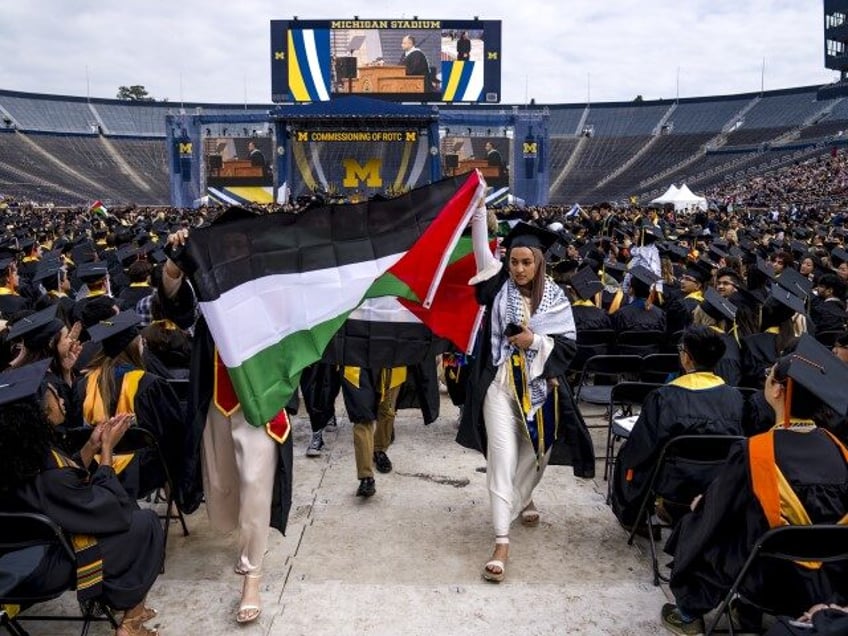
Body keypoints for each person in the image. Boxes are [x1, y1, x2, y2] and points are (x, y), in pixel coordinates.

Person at [662, 335, 848, 635]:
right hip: (830, 588)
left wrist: (704, 504)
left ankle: (688, 611)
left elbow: (720, 510)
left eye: (769, 375)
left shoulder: (757, 451)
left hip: (767, 580)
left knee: (706, 522)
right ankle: (746, 610)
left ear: (776, 390)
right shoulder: (841, 450)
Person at [159, 222, 293, 626]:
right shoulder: (207, 277)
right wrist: (174, 264)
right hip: (216, 394)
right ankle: (245, 548)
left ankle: (253, 575)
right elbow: (178, 309)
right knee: (222, 484)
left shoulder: (275, 280)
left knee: (256, 481)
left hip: (260, 398)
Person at [456, 214, 594, 584]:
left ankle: (524, 497)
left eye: (526, 262)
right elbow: (483, 249)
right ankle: (501, 541)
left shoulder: (555, 299)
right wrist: (481, 209)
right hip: (499, 384)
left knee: (536, 454)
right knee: (502, 457)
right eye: (514, 262)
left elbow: (568, 346)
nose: (519, 269)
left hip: (540, 388)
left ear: (539, 262)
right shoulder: (496, 290)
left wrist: (536, 342)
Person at [0, 360, 163, 636]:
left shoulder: (16, 457)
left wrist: (91, 447)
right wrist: (108, 451)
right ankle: (131, 623)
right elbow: (109, 508)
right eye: (54, 396)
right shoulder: (49, 474)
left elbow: (62, 488)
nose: (63, 401)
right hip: (46, 567)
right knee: (143, 522)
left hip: (11, 560)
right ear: (36, 413)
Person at [611, 326, 744, 530]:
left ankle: (637, 521)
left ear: (687, 358)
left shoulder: (665, 397)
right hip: (719, 479)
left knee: (628, 454)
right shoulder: (735, 398)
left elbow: (642, 447)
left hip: (673, 481)